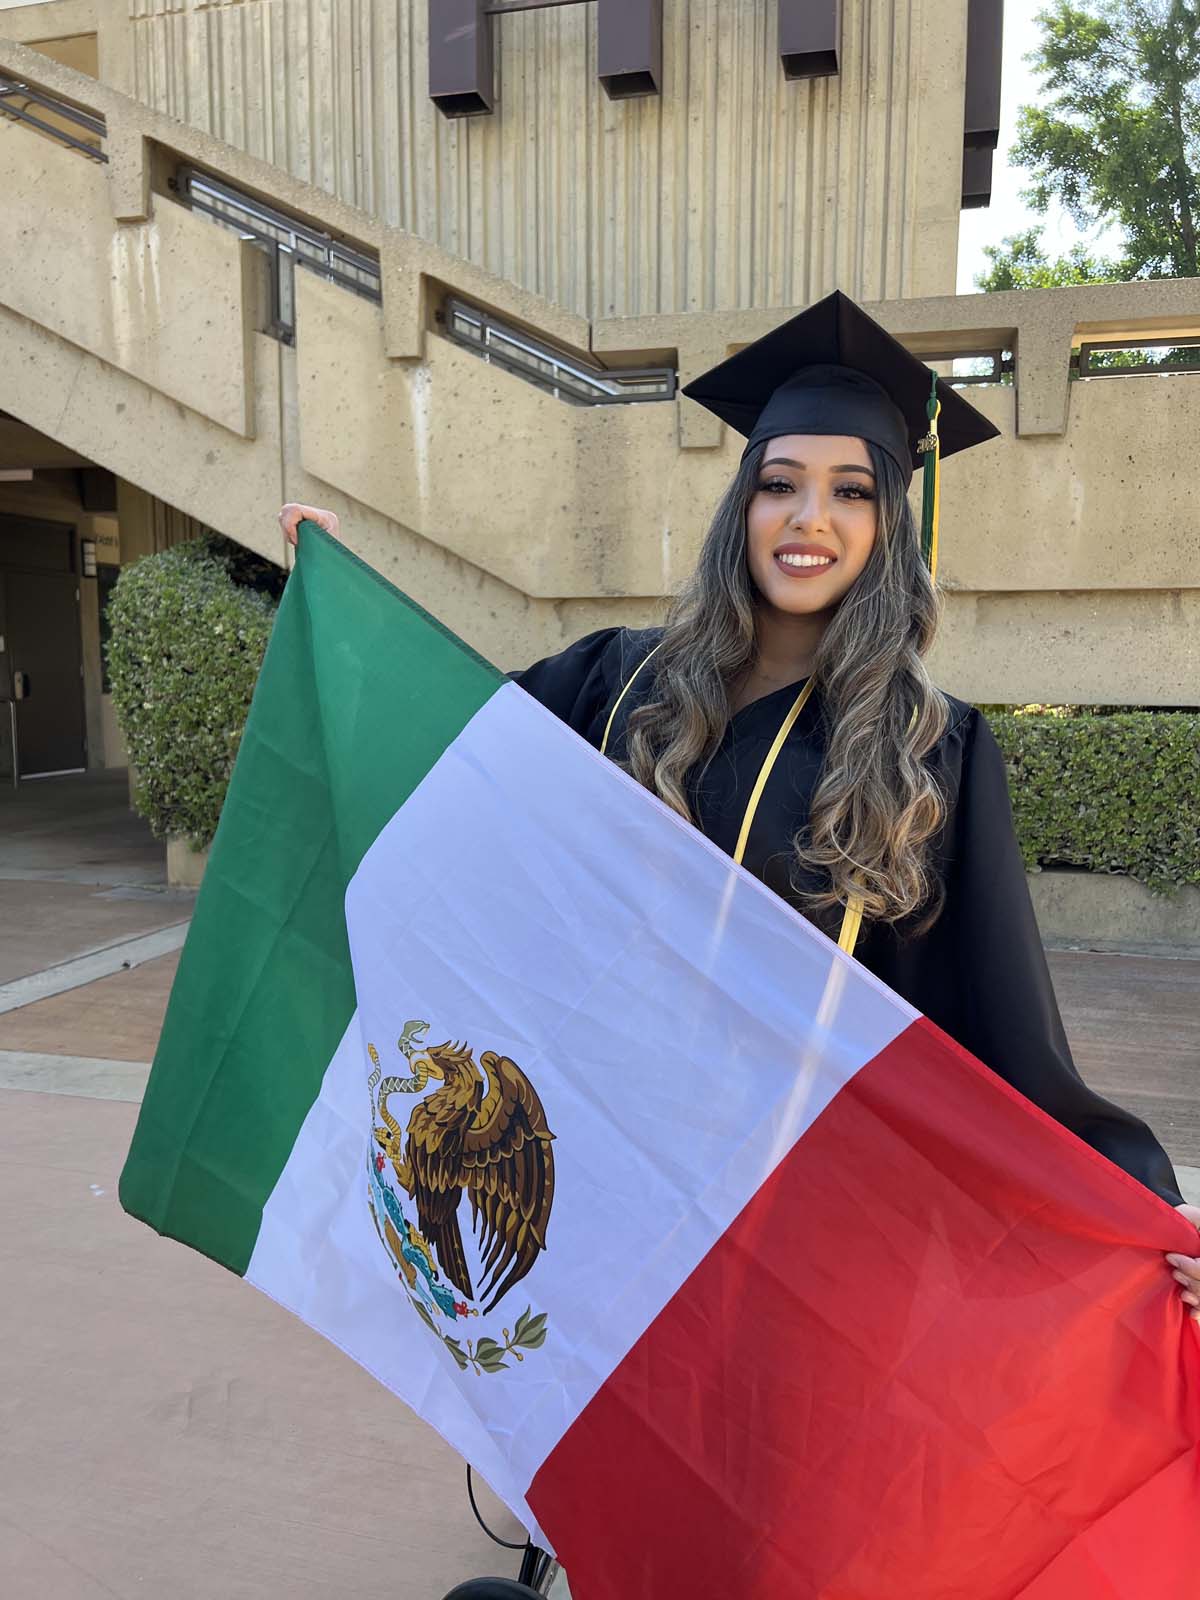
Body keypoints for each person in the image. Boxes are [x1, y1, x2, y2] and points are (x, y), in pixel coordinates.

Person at [279, 288, 1200, 1319]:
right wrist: (337, 617)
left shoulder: (930, 750)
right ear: (743, 507)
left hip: (794, 1209)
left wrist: (1145, 1211)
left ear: (891, 523)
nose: (811, 520)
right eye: (780, 485)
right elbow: (440, 762)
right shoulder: (618, 684)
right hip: (594, 1166)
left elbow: (1003, 1029)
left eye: (852, 492)